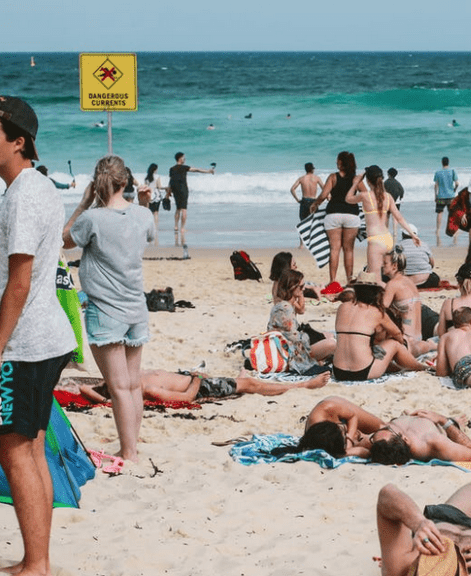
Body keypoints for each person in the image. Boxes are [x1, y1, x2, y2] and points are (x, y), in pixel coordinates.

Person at [0, 95, 78, 576]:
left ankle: (37, 563)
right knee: (29, 446)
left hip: (25, 341)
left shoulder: (24, 195)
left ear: (18, 141)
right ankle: (38, 557)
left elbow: (20, 283)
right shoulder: (38, 187)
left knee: (13, 448)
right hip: (48, 336)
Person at [63, 155, 155, 464]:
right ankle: (132, 447)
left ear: (96, 183)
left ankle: (128, 451)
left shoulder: (91, 219)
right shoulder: (142, 215)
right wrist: (142, 202)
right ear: (125, 181)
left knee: (118, 387)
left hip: (105, 311)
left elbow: (63, 241)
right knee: (132, 384)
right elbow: (150, 234)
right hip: (136, 308)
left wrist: (82, 204)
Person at [331, 272, 428, 382]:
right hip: (362, 371)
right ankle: (420, 367)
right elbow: (397, 334)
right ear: (374, 292)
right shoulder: (376, 312)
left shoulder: (342, 308)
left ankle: (399, 366)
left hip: (338, 371)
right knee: (394, 344)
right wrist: (402, 347)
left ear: (356, 290)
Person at [79, 368, 329, 404]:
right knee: (250, 384)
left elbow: (83, 389)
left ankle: (240, 379)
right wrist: (197, 378)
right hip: (201, 387)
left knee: (242, 381)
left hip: (194, 377)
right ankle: (305, 385)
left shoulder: (127, 377)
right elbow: (186, 398)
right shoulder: (146, 390)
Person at [345, 165, 420, 280]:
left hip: (375, 241)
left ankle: (396, 292)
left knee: (376, 280)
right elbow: (399, 218)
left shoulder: (365, 196)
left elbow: (348, 198)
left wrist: (356, 182)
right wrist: (412, 234)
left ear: (368, 180)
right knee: (377, 275)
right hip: (387, 239)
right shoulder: (387, 197)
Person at [309, 151, 363, 288]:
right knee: (349, 250)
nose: (336, 163)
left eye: (338, 160)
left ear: (342, 163)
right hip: (351, 215)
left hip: (333, 215)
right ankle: (350, 280)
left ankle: (333, 281)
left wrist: (315, 204)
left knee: (334, 249)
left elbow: (323, 194)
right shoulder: (356, 179)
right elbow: (366, 194)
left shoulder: (333, 177)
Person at [268, 269, 335, 374]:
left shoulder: (286, 304)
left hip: (289, 348)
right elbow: (294, 341)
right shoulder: (285, 309)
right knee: (331, 344)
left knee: (328, 337)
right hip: (291, 354)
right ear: (291, 287)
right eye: (301, 287)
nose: (304, 289)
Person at [368, 409, 471, 465]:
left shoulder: (381, 443)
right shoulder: (432, 442)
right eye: (389, 428)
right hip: (440, 424)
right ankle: (455, 421)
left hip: (418, 417)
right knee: (456, 422)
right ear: (406, 439)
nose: (385, 426)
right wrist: (443, 420)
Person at [382, 248, 435, 356]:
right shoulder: (409, 282)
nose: (382, 265)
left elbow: (379, 311)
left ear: (394, 266)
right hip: (418, 338)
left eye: (385, 263)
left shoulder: (392, 284)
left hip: (406, 340)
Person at [168, 151, 214, 247]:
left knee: (178, 208)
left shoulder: (171, 169)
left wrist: (168, 192)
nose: (185, 159)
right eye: (184, 158)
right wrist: (208, 171)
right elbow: (196, 170)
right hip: (184, 190)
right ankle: (182, 228)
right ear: (180, 159)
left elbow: (171, 181)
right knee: (184, 209)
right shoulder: (184, 167)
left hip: (175, 190)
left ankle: (176, 226)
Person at [398, 224, 439, 289]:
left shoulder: (398, 245)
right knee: (435, 278)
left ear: (402, 234)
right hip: (423, 281)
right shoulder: (423, 244)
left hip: (403, 281)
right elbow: (432, 263)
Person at [433, 156, 459, 243]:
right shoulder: (452, 171)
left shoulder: (438, 172)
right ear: (448, 162)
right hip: (451, 196)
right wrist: (454, 190)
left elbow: (436, 185)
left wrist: (435, 196)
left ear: (442, 162)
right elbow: (457, 183)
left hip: (440, 196)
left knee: (440, 213)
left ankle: (438, 230)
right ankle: (454, 229)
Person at [141, 163, 168, 239]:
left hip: (149, 196)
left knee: (149, 213)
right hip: (156, 196)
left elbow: (145, 187)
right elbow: (159, 187)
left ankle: (149, 228)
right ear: (155, 169)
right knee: (156, 213)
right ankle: (155, 227)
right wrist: (165, 188)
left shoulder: (146, 178)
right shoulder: (157, 177)